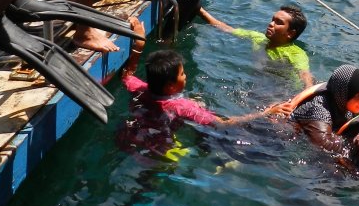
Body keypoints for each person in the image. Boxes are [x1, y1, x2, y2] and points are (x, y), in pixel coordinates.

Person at [117, 33, 278, 155]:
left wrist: (139, 44)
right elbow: (223, 123)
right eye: (182, 74)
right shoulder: (184, 107)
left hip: (127, 136)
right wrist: (265, 113)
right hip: (160, 147)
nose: (185, 76)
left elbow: (127, 75)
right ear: (171, 86)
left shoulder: (139, 87)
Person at [198, 4, 313, 87]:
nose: (271, 24)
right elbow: (227, 29)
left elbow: (304, 75)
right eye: (272, 19)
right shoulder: (257, 37)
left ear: (290, 33)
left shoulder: (296, 53)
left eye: (279, 22)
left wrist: (308, 92)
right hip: (258, 81)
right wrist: (200, 10)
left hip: (281, 88)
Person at [285, 64, 359, 151]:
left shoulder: (348, 103)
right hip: (287, 134)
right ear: (344, 95)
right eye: (357, 95)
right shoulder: (319, 110)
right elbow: (325, 145)